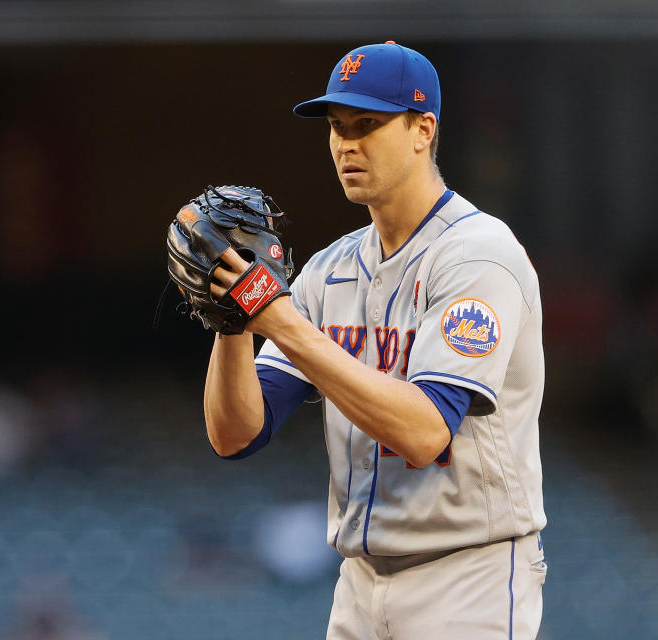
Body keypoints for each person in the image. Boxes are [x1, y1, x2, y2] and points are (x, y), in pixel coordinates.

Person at [202, 42, 547, 639]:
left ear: (422, 129)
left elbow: (424, 432)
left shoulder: (476, 254)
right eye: (337, 127)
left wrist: (278, 318)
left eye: (368, 124)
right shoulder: (328, 270)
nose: (346, 144)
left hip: (468, 578)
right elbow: (237, 435)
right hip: (359, 583)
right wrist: (231, 325)